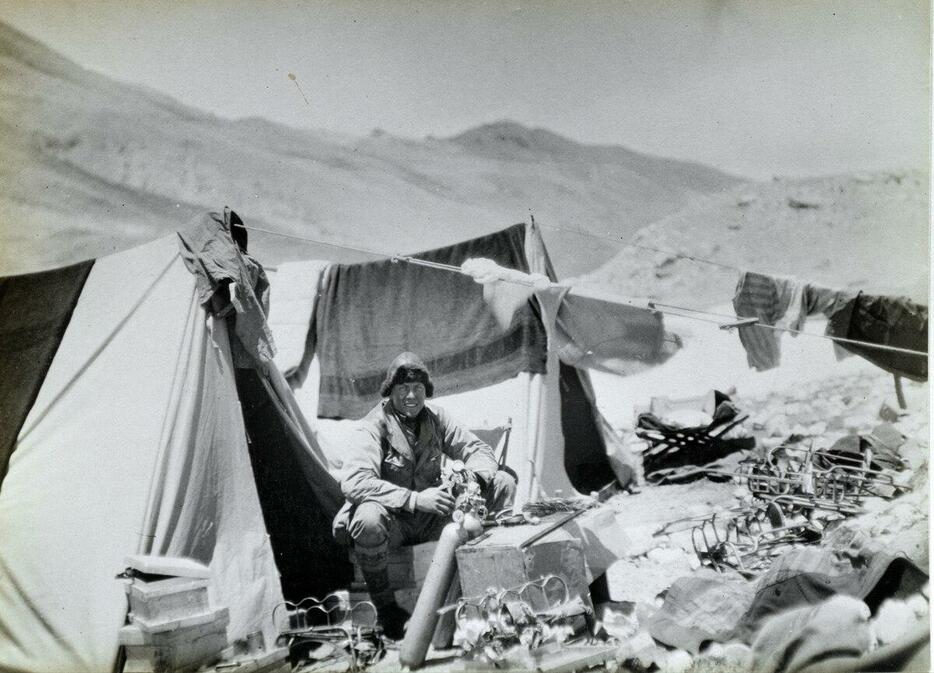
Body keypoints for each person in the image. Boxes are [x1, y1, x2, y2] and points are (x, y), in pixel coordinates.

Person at [332, 352, 516, 639]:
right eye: (403, 388)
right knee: (367, 518)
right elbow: (355, 482)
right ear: (390, 392)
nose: (411, 396)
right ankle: (387, 609)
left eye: (417, 388)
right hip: (393, 522)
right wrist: (415, 499)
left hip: (432, 518)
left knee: (502, 482)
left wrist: (473, 478)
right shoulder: (374, 426)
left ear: (426, 391)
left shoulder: (436, 418)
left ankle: (493, 588)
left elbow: (479, 450)